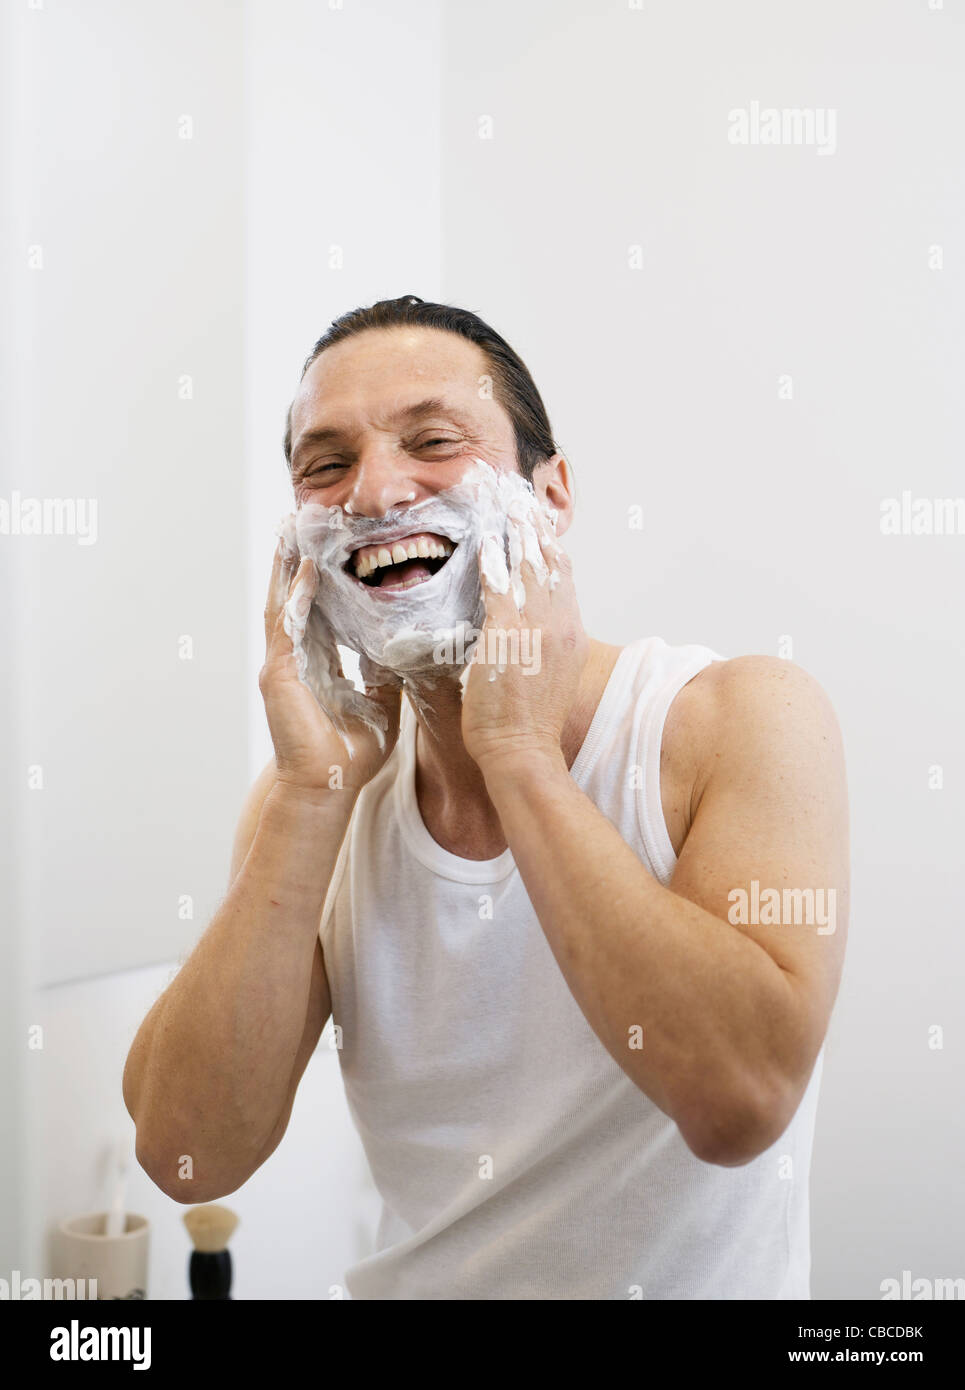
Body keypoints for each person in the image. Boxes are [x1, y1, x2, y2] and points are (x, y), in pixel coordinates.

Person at [124, 295, 850, 1299]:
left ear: (549, 496)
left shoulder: (733, 719)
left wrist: (515, 751)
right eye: (325, 465)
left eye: (431, 440)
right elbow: (186, 1157)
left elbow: (740, 1101)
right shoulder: (313, 803)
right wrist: (305, 794)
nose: (374, 491)